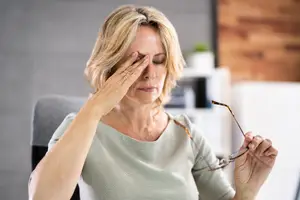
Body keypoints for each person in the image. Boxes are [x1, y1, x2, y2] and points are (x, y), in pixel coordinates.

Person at [28, 4, 278, 200]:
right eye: (135, 62)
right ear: (110, 65)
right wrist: (96, 107)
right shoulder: (82, 127)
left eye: (158, 60)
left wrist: (247, 193)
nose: (150, 73)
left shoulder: (186, 133)